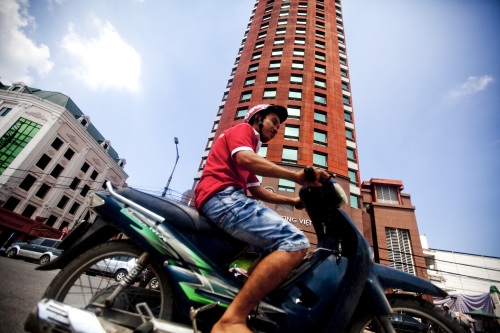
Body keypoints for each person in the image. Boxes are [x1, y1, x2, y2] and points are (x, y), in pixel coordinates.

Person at [195, 104, 329, 333]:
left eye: (279, 125)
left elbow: (258, 190)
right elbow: (247, 160)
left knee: (271, 250)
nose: (277, 128)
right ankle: (231, 321)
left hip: (224, 198)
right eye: (274, 121)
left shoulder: (248, 149)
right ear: (258, 118)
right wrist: (295, 176)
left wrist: (293, 201)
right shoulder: (244, 132)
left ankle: (238, 303)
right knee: (296, 242)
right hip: (222, 196)